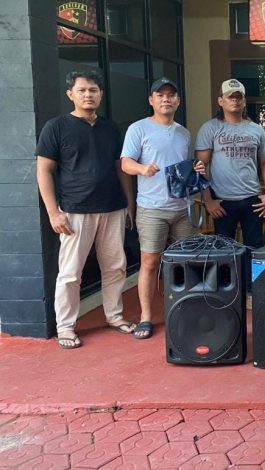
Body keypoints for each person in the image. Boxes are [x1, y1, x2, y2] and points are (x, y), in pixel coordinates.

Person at [36, 71, 136, 349]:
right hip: (74, 211)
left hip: (112, 207)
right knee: (70, 273)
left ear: (101, 94)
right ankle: (65, 326)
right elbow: (44, 170)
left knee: (115, 267)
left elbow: (121, 169)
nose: (88, 95)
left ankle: (114, 316)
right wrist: (53, 212)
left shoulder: (110, 128)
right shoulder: (56, 127)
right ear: (70, 94)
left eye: (93, 90)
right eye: (82, 90)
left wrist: (129, 204)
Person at [120, 77, 205, 340]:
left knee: (187, 261)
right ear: (151, 100)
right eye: (160, 95)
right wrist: (141, 168)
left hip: (182, 208)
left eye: (171, 95)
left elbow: (183, 168)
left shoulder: (183, 133)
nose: (166, 99)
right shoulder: (138, 128)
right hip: (152, 208)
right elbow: (125, 163)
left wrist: (197, 169)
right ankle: (146, 317)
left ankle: (186, 310)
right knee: (150, 262)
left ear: (178, 101)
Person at [195, 78, 265, 249]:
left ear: (244, 101)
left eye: (239, 97)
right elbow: (200, 166)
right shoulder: (210, 128)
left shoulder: (256, 129)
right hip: (222, 201)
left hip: (252, 199)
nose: (235, 100)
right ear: (220, 100)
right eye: (230, 97)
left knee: (255, 249)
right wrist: (208, 200)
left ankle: (253, 269)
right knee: (224, 251)